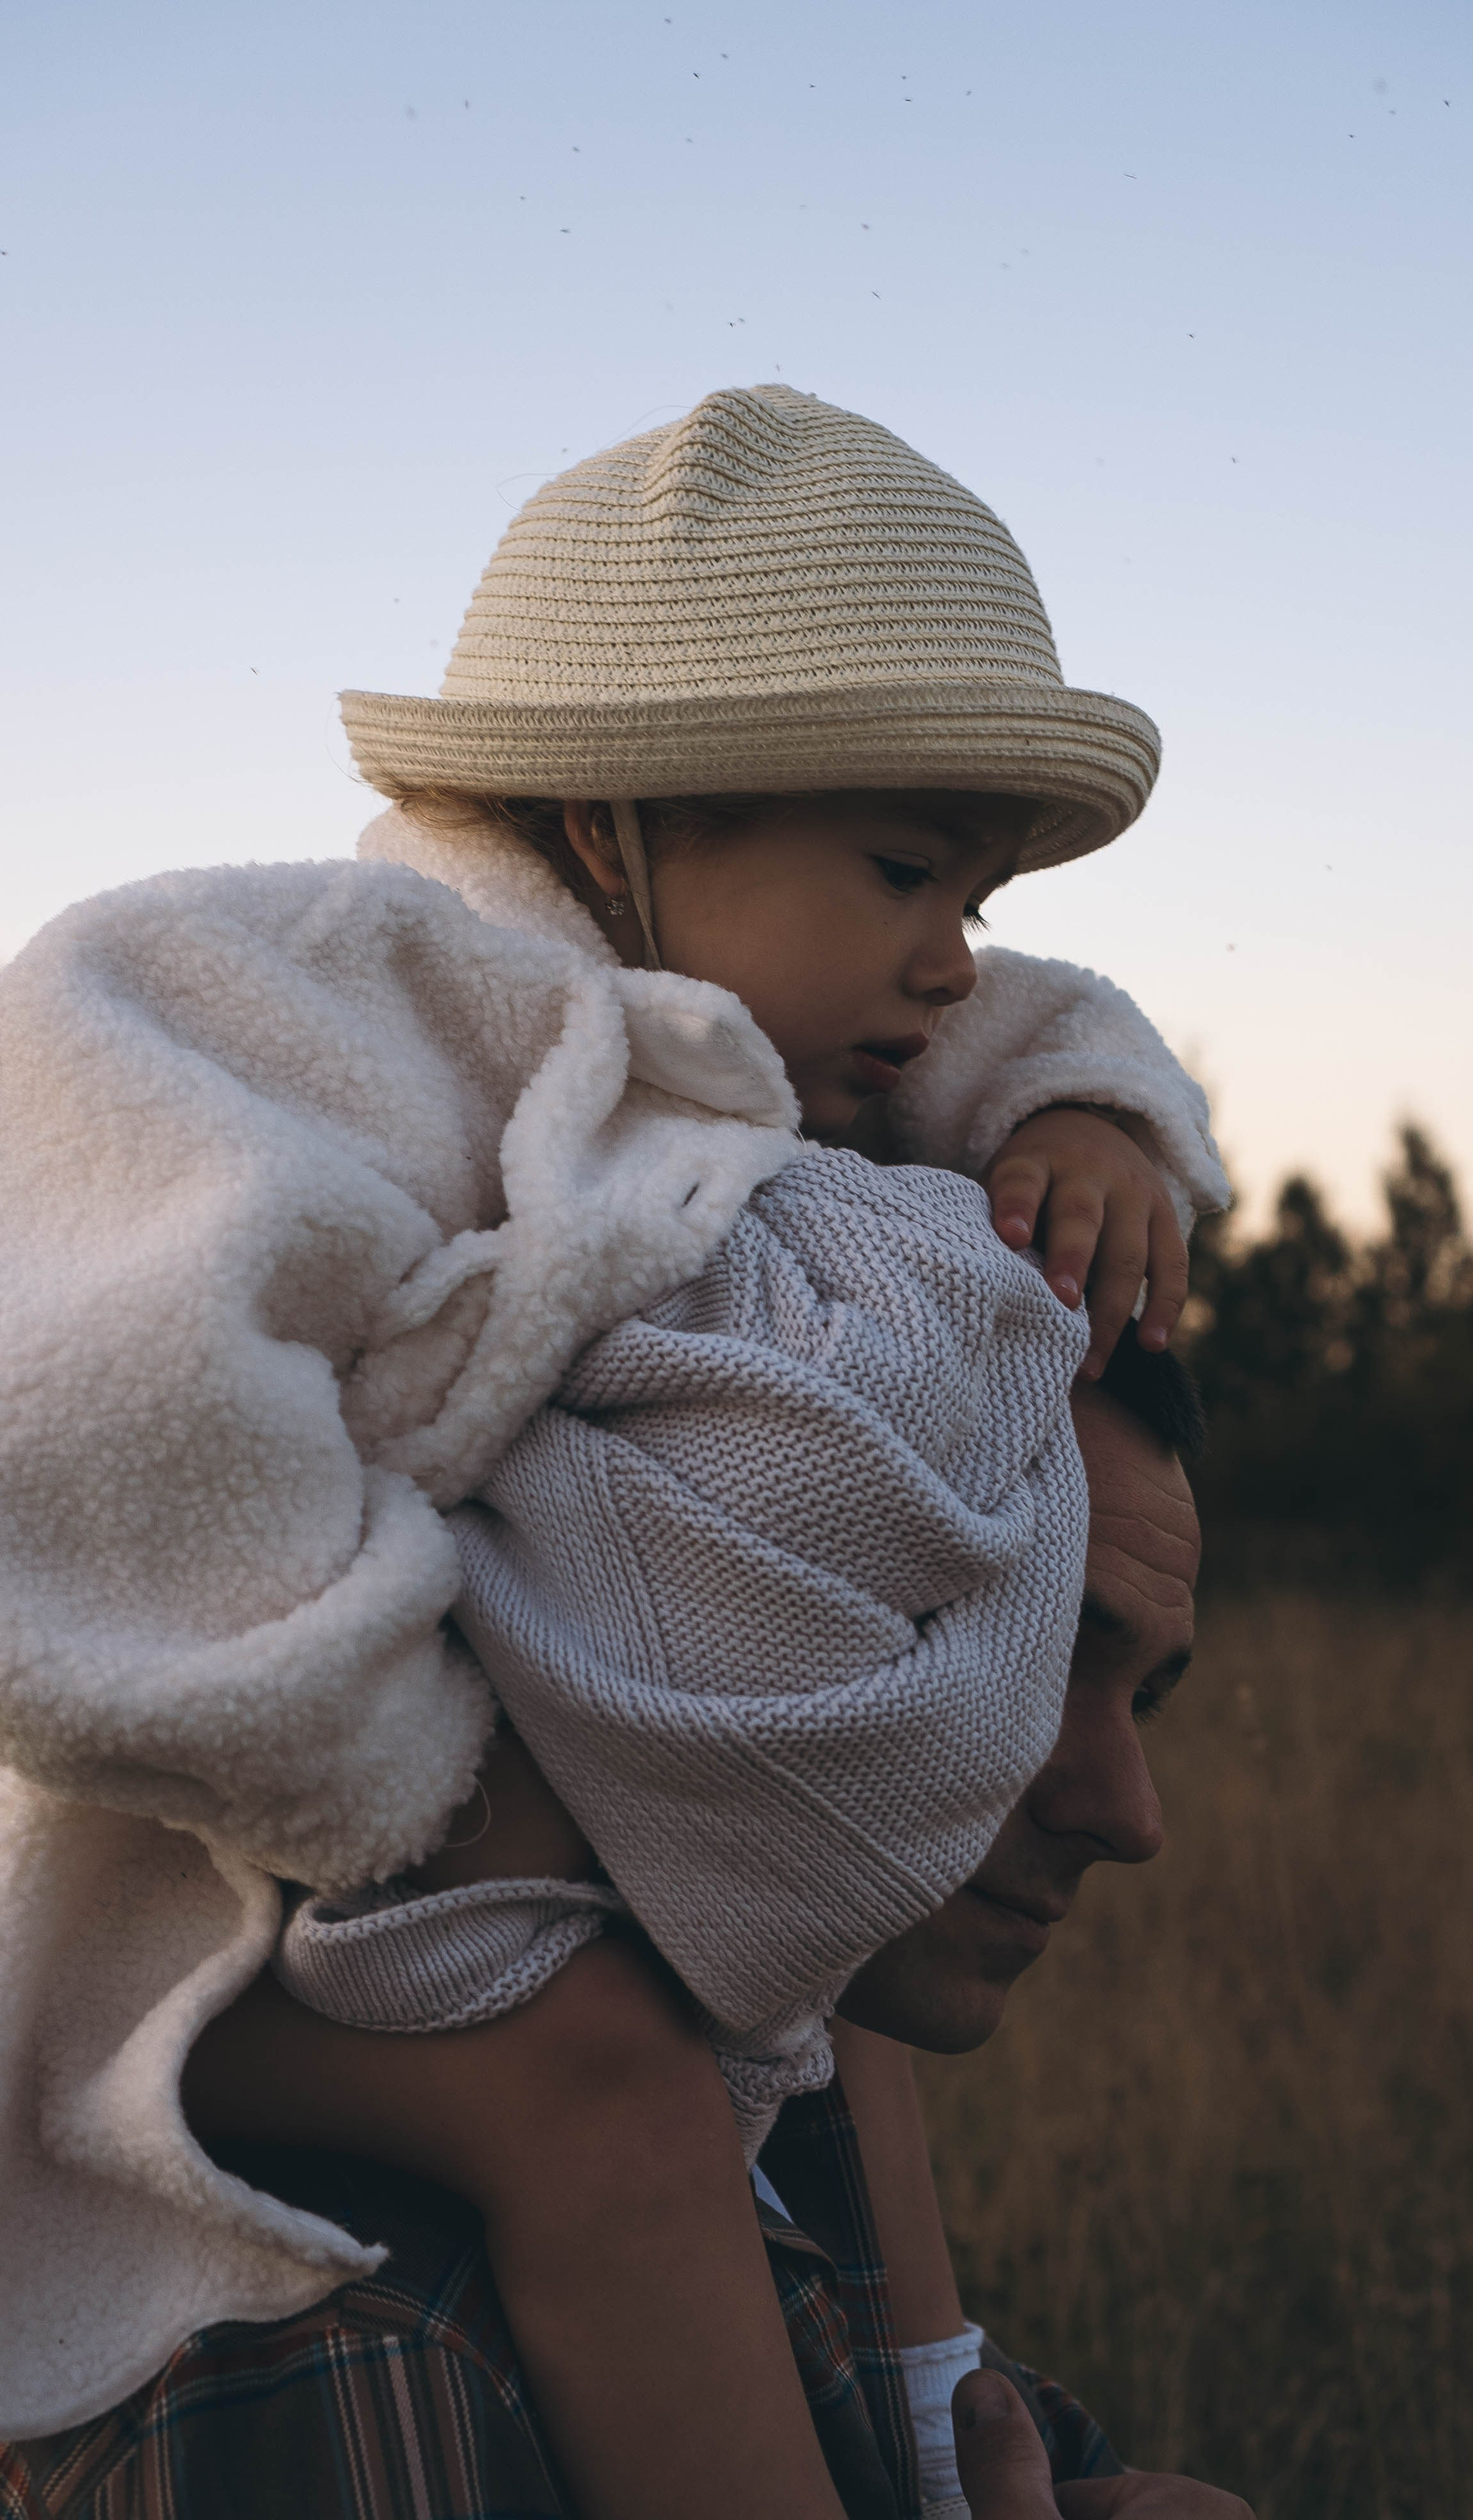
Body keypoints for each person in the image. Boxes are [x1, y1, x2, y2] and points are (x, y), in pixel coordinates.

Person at [0, 386, 1228, 2508]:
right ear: (611, 823)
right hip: (205, 1879)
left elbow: (994, 1028)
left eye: (986, 888)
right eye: (910, 869)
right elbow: (105, 1408)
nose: (956, 959)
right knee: (613, 2099)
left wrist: (1093, 1114)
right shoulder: (341, 1002)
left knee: (816, 1886)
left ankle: (937, 2408)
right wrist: (419, 1782)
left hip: (485, 1863)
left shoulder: (740, 1053)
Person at [0, 1345, 1252, 2520]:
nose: (1133, 1816)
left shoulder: (786, 2104)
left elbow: (971, 2431)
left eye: (1143, 1697)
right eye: (1021, 1653)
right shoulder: (362, 2369)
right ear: (701, 1574)